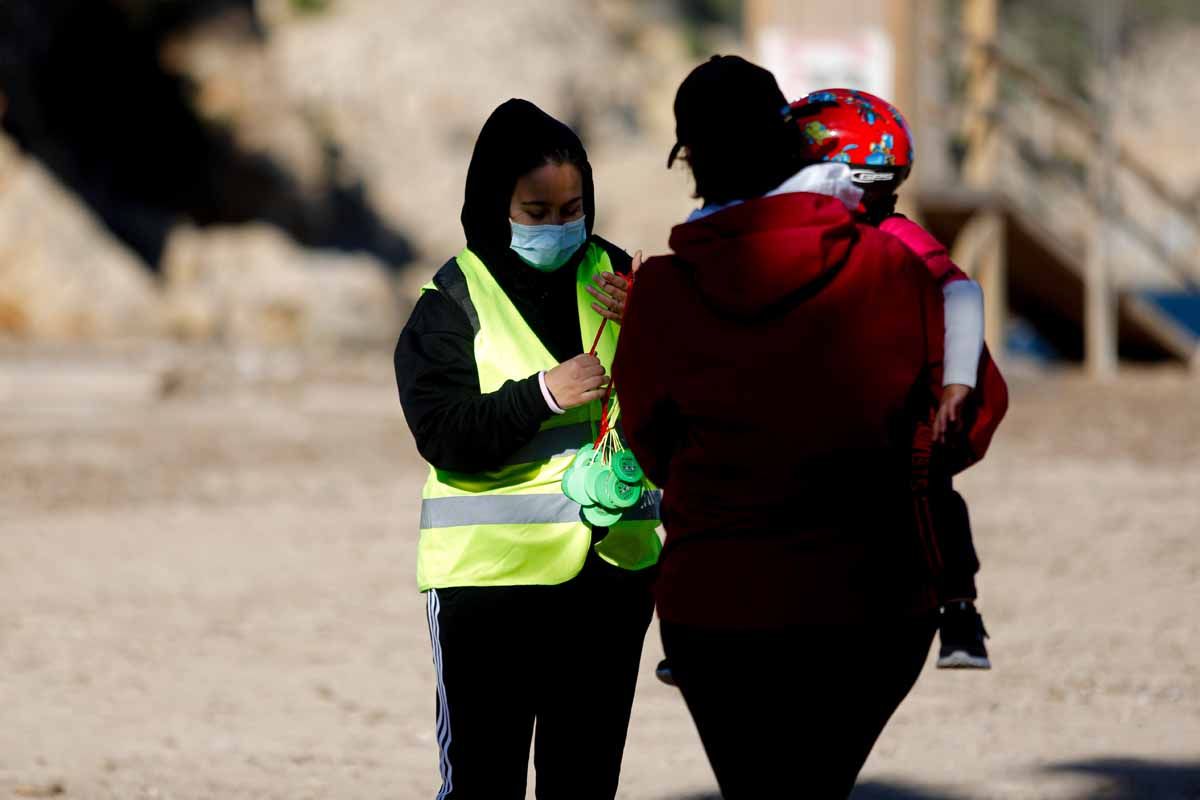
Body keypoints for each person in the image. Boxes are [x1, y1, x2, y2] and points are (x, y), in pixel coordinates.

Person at [613, 55, 957, 798]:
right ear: (793, 146)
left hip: (719, 610)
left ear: (691, 159)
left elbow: (648, 440)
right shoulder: (893, 266)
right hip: (873, 605)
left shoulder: (663, 293)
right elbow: (971, 412)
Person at [394, 98, 661, 800]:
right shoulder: (451, 301)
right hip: (490, 584)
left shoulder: (626, 281)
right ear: (495, 202)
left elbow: (690, 409)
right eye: (536, 213)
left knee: (585, 782)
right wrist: (541, 393)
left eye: (573, 209)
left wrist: (658, 330)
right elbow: (443, 433)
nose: (559, 227)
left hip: (609, 579)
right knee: (485, 783)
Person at [786, 87, 1009, 668]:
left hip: (891, 411)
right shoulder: (778, 239)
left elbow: (959, 290)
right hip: (807, 413)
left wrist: (957, 383)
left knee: (926, 486)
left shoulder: (895, 235)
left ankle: (959, 609)